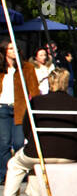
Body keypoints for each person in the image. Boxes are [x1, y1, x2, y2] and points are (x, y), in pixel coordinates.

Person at [0, 68, 77, 196]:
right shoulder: (76, 103)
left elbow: (27, 128)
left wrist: (34, 142)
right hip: (69, 154)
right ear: (66, 83)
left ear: (49, 82)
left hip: (40, 151)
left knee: (16, 165)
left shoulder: (36, 101)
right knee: (36, 164)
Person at [0, 41, 40, 187]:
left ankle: (20, 172)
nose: (13, 51)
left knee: (18, 143)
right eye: (10, 48)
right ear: (4, 51)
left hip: (20, 109)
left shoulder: (26, 68)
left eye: (15, 48)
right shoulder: (1, 69)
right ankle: (5, 174)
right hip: (2, 108)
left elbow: (34, 90)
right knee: (4, 143)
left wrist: (36, 108)